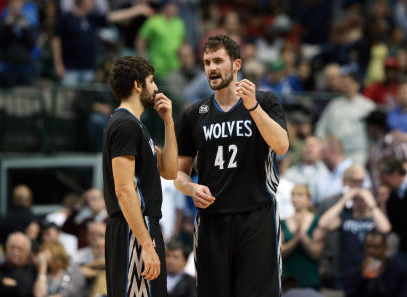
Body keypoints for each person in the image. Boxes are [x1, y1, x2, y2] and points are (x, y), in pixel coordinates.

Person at [174, 34, 289, 297]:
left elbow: (282, 145)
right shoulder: (194, 114)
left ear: (236, 65)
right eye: (206, 62)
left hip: (257, 217)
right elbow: (179, 173)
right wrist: (190, 188)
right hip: (212, 221)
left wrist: (253, 107)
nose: (211, 68)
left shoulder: (266, 101)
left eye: (218, 61)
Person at [102, 56, 178, 297]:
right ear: (138, 85)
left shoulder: (137, 126)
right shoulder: (125, 126)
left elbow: (170, 171)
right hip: (133, 229)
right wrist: (145, 244)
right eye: (152, 81)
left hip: (142, 227)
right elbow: (124, 189)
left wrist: (168, 122)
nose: (156, 88)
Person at [316, 183, 391, 293]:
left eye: (363, 199)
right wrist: (344, 199)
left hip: (371, 267)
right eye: (357, 199)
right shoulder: (345, 217)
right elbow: (323, 224)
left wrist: (371, 202)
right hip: (347, 269)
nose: (361, 202)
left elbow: (385, 228)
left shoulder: (374, 218)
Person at [315, 71, 376, 164]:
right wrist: (322, 143)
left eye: (350, 83)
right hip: (335, 153)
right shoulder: (334, 104)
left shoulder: (368, 106)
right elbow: (321, 128)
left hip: (359, 153)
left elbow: (375, 132)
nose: (346, 85)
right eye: (344, 83)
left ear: (357, 85)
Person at [281, 185, 322, 289]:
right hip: (287, 280)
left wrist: (302, 236)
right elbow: (280, 252)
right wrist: (295, 239)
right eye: (293, 195)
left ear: (309, 199)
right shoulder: (283, 222)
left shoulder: (318, 221)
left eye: (299, 195)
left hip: (310, 279)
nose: (295, 199)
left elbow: (316, 253)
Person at [346, 230, 407, 297]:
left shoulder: (399, 269)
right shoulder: (356, 268)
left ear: (385, 248)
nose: (371, 251)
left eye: (376, 247)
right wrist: (362, 278)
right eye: (368, 247)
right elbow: (350, 293)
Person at [0, 232, 37, 297]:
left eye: (20, 249)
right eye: (12, 247)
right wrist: (3, 282)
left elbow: (22, 291)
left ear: (27, 252)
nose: (15, 252)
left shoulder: (31, 271)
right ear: (6, 249)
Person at [377, 156, 407, 260]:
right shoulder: (391, 195)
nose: (381, 181)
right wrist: (382, 203)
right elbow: (387, 226)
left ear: (394, 174)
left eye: (383, 177)